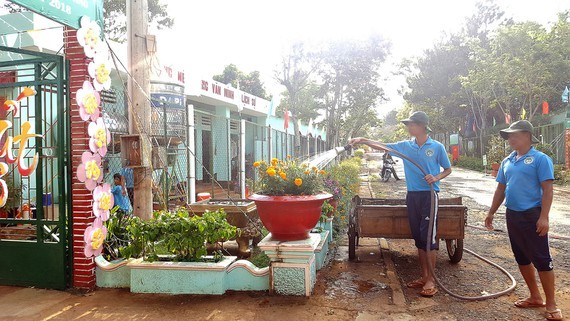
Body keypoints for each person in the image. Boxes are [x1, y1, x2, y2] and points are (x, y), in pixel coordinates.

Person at [350, 111, 451, 298]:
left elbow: (448, 169)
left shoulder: (436, 147)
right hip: (412, 196)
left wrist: (436, 177)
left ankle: (431, 281)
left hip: (429, 196)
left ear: (421, 126)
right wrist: (363, 139)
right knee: (419, 239)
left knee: (429, 238)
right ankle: (424, 276)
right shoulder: (405, 146)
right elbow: (382, 146)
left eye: (411, 124)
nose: (408, 127)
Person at [485, 120, 562, 321]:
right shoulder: (507, 161)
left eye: (514, 135)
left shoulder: (540, 159)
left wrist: (544, 217)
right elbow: (500, 189)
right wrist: (491, 212)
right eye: (509, 136)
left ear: (527, 135)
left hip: (532, 214)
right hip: (512, 214)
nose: (510, 138)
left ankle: (551, 303)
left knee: (542, 259)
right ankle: (535, 296)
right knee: (521, 257)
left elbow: (548, 189)